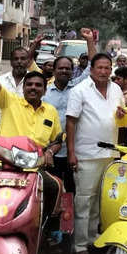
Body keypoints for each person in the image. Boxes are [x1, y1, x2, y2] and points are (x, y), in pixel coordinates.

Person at [0, 33, 64, 222]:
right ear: (24, 88)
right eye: (29, 85)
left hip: (34, 169)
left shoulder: (50, 111)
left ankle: (46, 226)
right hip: (6, 164)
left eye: (38, 85)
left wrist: (51, 151)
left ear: (44, 90)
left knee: (55, 187)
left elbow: (58, 139)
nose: (33, 88)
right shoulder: (10, 102)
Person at [66, 53, 124, 254]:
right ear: (91, 69)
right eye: (100, 67)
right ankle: (80, 245)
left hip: (111, 154)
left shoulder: (116, 89)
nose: (104, 71)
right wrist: (71, 152)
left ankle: (94, 241)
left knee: (103, 200)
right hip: (87, 154)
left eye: (107, 68)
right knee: (84, 201)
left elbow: (121, 115)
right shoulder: (79, 90)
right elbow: (71, 122)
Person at [43, 28, 97, 194]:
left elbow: (92, 66)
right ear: (54, 70)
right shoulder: (44, 93)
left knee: (73, 191)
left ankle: (71, 219)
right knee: (51, 190)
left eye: (68, 68)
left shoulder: (78, 87)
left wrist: (89, 41)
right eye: (61, 68)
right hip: (51, 151)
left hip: (74, 151)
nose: (64, 71)